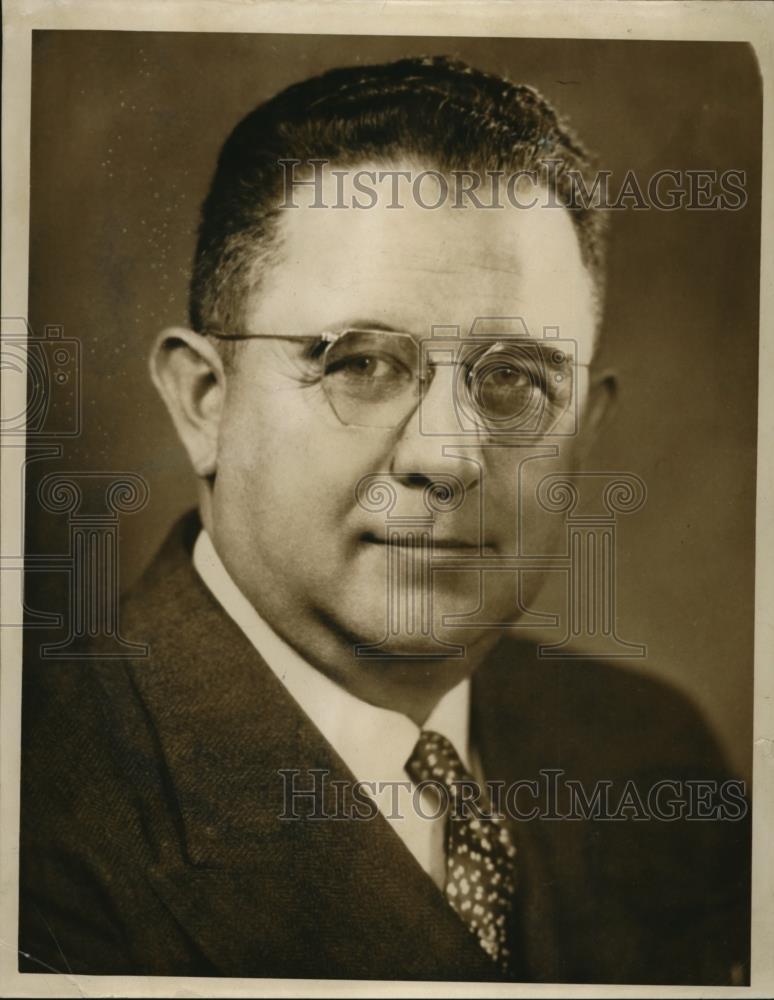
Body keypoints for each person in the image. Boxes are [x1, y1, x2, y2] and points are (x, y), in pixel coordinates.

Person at [19, 55, 749, 984]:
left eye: (516, 379)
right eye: (358, 364)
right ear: (205, 400)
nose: (445, 457)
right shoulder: (41, 809)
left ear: (584, 433)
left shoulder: (653, 757)